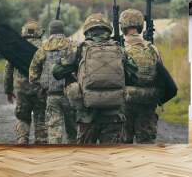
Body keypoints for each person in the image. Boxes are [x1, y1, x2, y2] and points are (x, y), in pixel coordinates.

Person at [53, 13, 137, 145]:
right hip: (114, 116)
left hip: (87, 116)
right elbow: (134, 75)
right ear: (108, 29)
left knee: (86, 158)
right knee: (111, 158)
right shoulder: (119, 49)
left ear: (87, 30)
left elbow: (57, 72)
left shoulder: (79, 49)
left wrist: (75, 76)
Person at [29, 20, 77, 144]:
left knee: (54, 130)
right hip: (70, 94)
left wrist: (38, 86)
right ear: (63, 30)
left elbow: (33, 69)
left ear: (50, 31)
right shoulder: (71, 45)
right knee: (73, 130)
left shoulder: (43, 47)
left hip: (51, 94)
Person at [119, 8, 163, 143]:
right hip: (148, 102)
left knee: (123, 146)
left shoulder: (120, 48)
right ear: (140, 25)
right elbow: (161, 74)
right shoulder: (152, 48)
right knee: (147, 145)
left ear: (122, 26)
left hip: (125, 103)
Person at [4, 20, 47, 144]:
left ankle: (22, 140)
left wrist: (8, 90)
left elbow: (8, 70)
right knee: (41, 119)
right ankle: (41, 143)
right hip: (40, 89)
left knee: (23, 118)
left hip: (22, 90)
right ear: (39, 32)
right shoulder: (44, 47)